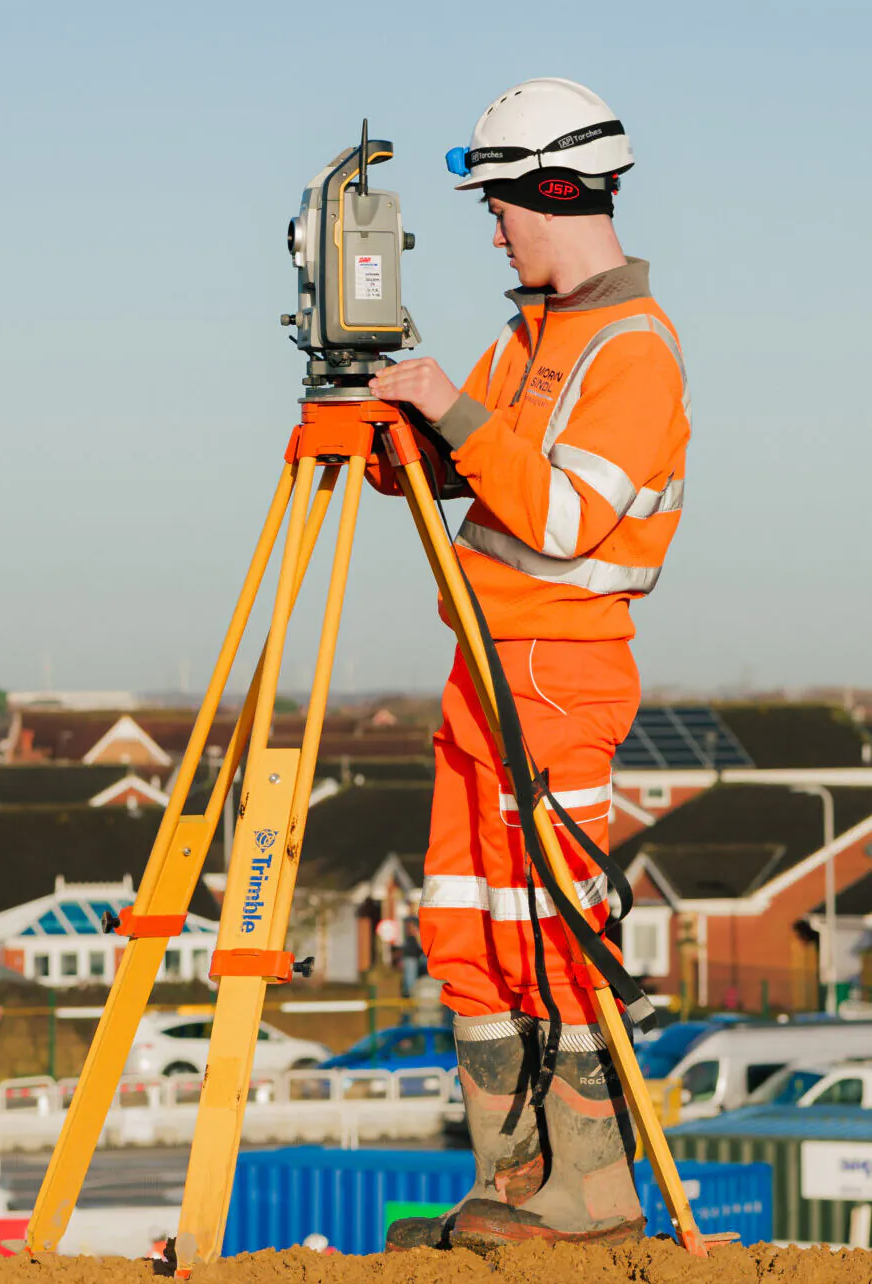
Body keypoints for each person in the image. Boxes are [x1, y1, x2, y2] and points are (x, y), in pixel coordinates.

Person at [369, 78, 689, 1254]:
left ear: (552, 191)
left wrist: (449, 408)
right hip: (485, 664)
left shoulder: (634, 350)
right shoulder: (529, 334)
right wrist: (407, 442)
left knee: (552, 923)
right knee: (468, 927)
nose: (491, 227)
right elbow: (483, 473)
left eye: (499, 204)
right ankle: (512, 1183)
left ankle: (593, 1196)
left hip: (559, 673)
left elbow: (557, 515)